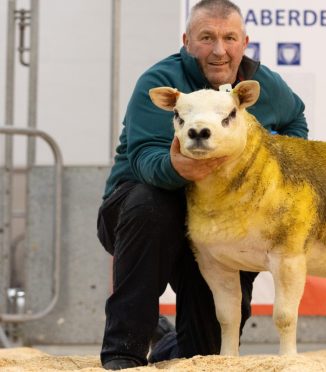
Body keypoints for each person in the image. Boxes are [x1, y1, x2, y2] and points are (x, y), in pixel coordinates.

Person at [96, 0, 308, 369]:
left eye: (229, 38)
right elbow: (142, 156)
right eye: (206, 37)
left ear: (244, 42)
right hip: (144, 210)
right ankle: (123, 352)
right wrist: (177, 168)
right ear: (187, 41)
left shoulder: (262, 87)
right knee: (152, 205)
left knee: (205, 350)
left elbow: (295, 119)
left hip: (220, 220)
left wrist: (277, 173)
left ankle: (168, 344)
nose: (219, 50)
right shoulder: (159, 82)